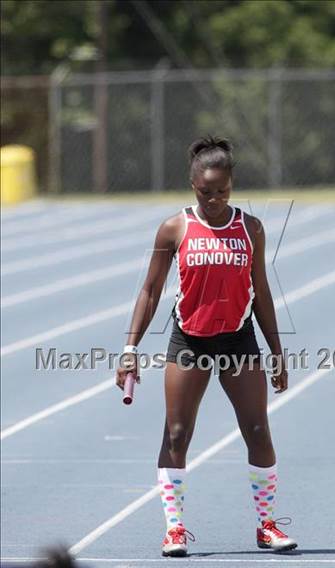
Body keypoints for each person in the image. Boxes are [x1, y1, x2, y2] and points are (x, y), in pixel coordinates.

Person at [116, 136, 298, 557]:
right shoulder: (175, 227)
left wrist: (276, 351)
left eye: (222, 191)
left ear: (231, 185)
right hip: (190, 342)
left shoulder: (251, 228)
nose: (214, 199)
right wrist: (130, 348)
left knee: (257, 430)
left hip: (239, 340)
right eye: (205, 191)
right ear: (192, 184)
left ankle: (267, 525)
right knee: (177, 433)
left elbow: (262, 292)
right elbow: (150, 290)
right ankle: (175, 530)